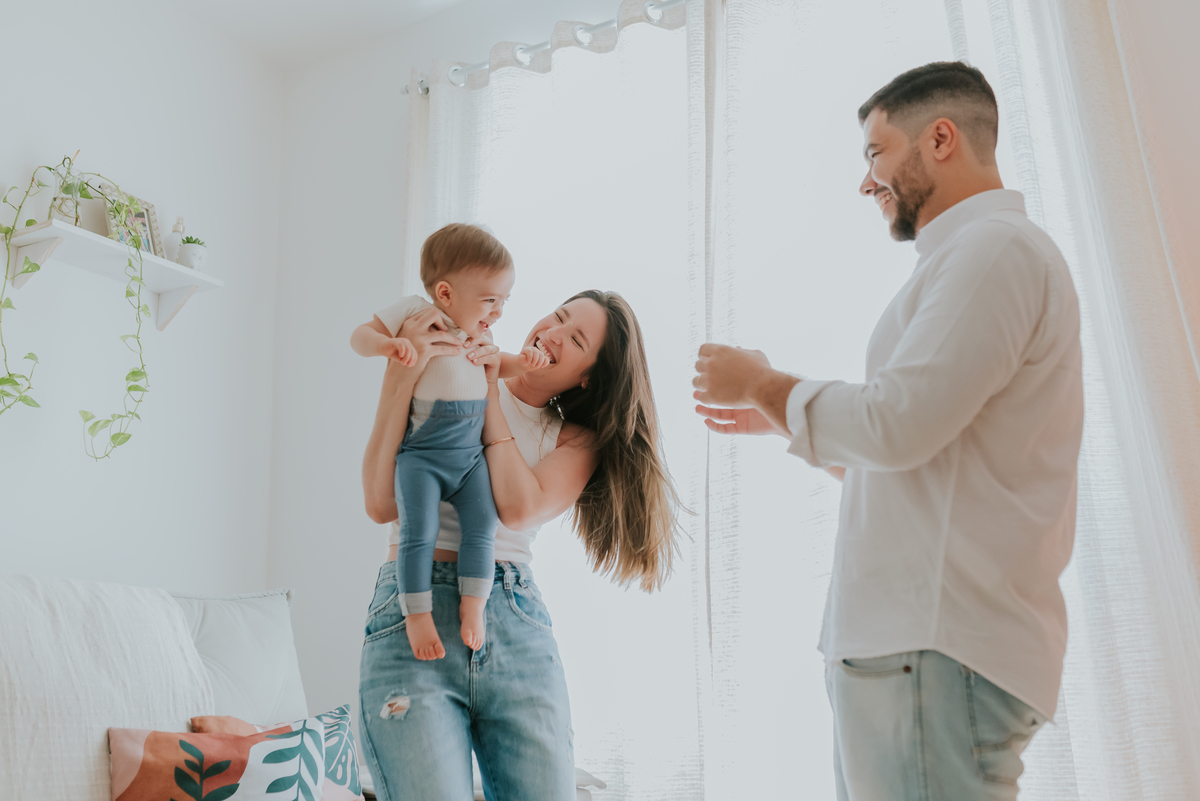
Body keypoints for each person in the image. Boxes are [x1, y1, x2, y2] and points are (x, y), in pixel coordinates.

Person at [693, 62, 1083, 799]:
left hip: (931, 645)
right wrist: (781, 418)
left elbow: (897, 426)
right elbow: (921, 457)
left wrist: (764, 384)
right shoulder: (974, 260)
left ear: (940, 139)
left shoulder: (993, 252)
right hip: (916, 646)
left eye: (874, 153)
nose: (865, 182)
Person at [358, 289, 680, 800]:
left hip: (511, 617)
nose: (551, 332)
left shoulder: (574, 439)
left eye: (574, 339)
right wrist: (401, 377)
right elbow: (380, 504)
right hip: (414, 607)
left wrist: (489, 391)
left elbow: (518, 506)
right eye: (558, 315)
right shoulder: (447, 372)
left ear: (588, 378)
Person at [350, 223, 549, 659]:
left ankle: (473, 606)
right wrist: (388, 345)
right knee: (417, 531)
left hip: (470, 458)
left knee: (483, 527)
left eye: (504, 302)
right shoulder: (415, 315)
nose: (497, 312)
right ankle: (417, 615)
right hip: (422, 455)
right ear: (444, 293)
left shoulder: (481, 337)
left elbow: (504, 365)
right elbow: (359, 336)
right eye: (490, 300)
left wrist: (526, 361)